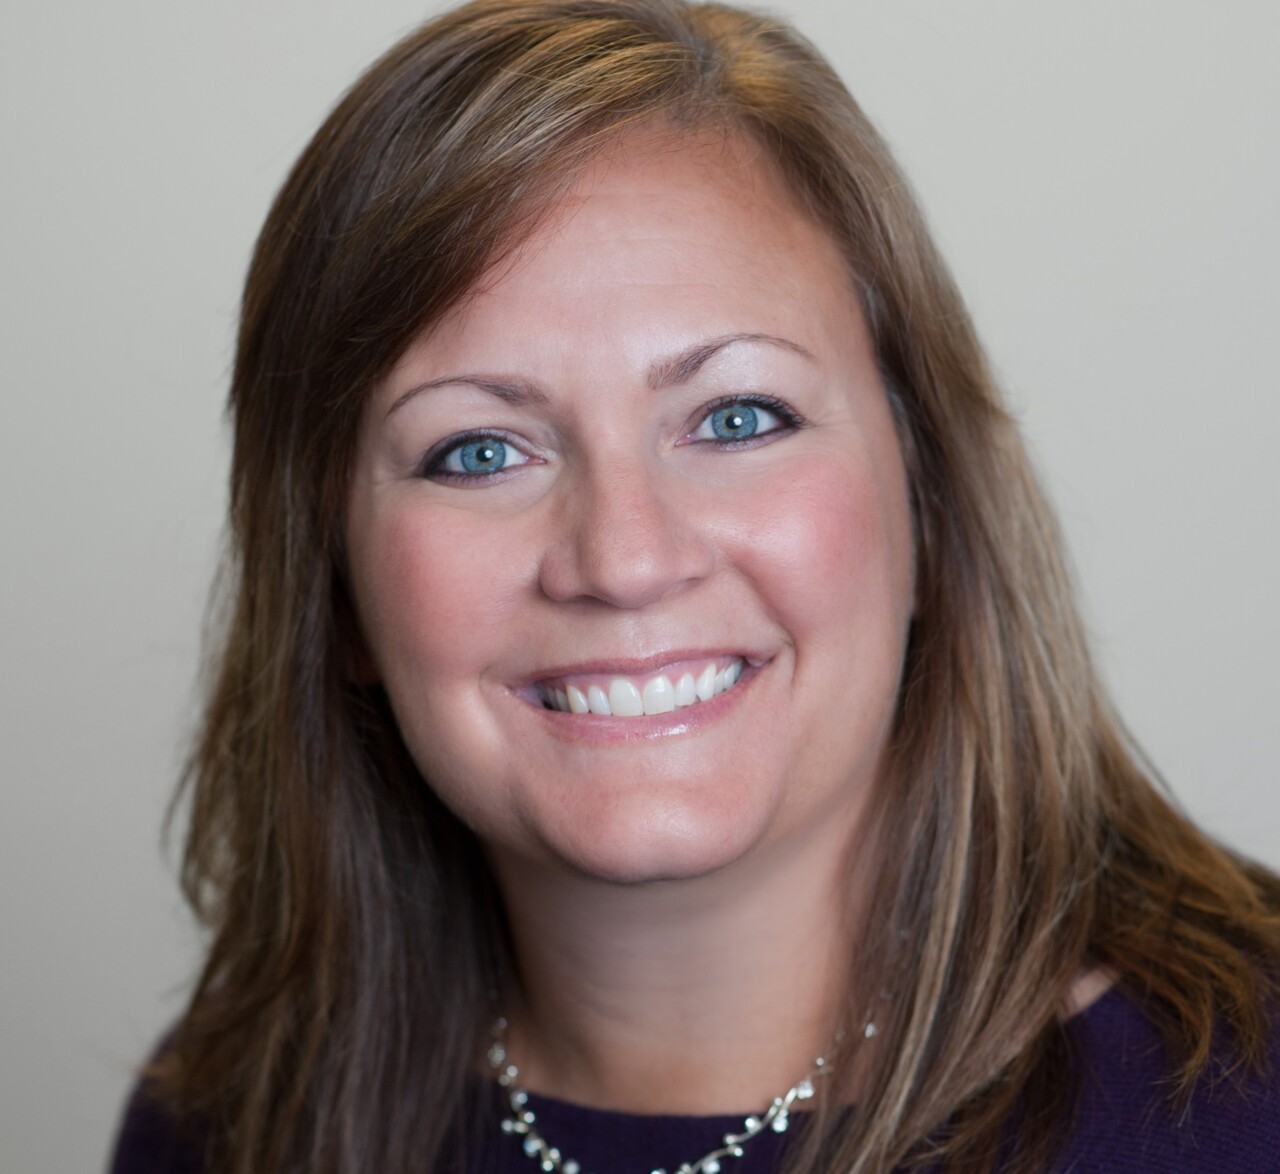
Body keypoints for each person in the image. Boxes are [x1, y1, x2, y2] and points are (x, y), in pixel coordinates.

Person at [108, 1, 1280, 1171]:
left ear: (924, 496)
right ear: (335, 585)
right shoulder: (219, 1124)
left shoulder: (1245, 1097)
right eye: (477, 449)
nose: (622, 559)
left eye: (735, 417)